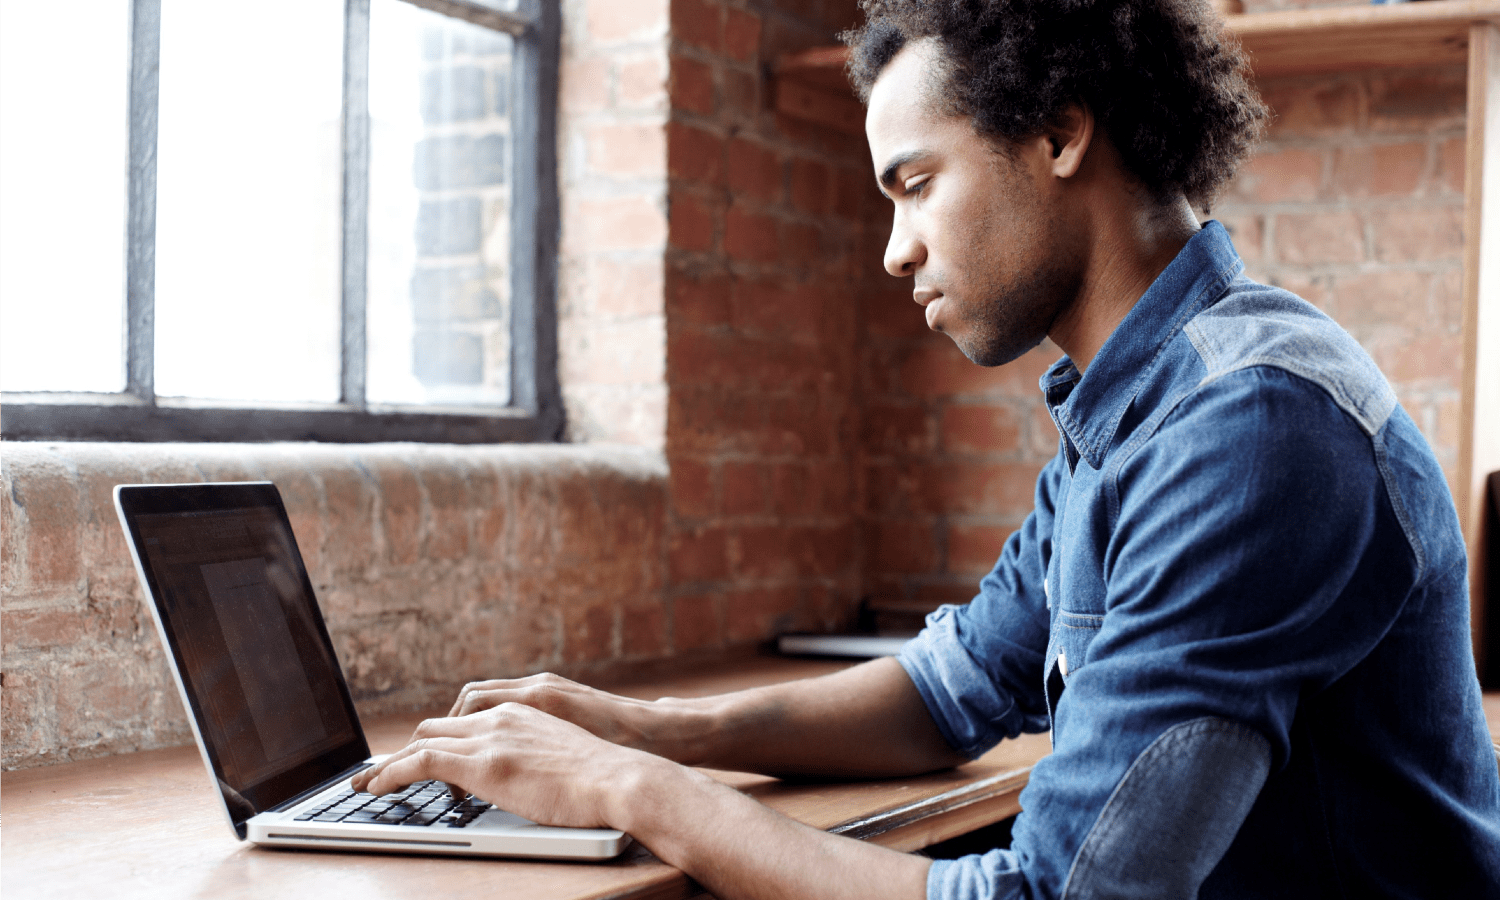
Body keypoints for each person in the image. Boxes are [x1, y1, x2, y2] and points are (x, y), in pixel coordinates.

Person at [353, 0, 1500, 896]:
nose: (895, 252)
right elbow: (954, 689)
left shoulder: (1251, 431)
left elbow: (1059, 897)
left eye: (915, 184)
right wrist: (649, 728)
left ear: (1058, 133)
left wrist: (629, 790)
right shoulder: (1136, 407)